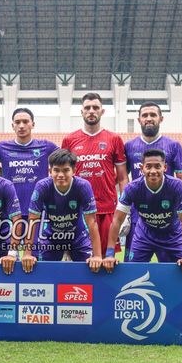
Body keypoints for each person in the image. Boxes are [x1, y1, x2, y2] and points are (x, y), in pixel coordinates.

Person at [103, 149, 182, 344]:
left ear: (165, 168)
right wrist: (110, 254)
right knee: (131, 275)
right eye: (148, 166)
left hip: (172, 235)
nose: (153, 170)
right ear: (141, 168)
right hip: (144, 235)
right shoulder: (133, 188)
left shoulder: (176, 186)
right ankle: (126, 324)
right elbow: (117, 220)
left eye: (157, 166)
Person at [61, 93, 128, 257]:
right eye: (87, 108)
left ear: (102, 111)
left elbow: (122, 178)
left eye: (95, 108)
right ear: (81, 111)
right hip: (77, 210)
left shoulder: (114, 139)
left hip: (106, 210)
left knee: (105, 259)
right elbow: (62, 177)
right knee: (75, 260)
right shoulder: (69, 140)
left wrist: (126, 211)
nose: (91, 111)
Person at [21, 149, 103, 273]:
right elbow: (32, 220)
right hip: (51, 237)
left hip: (78, 237)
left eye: (65, 170)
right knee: (45, 275)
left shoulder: (83, 186)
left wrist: (97, 256)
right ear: (50, 171)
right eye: (56, 170)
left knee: (89, 273)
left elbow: (92, 222)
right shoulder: (42, 186)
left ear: (74, 171)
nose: (60, 175)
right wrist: (27, 254)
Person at [124, 101, 182, 260]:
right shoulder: (129, 146)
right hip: (137, 215)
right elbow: (123, 179)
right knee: (132, 268)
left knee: (171, 270)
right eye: (145, 115)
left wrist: (180, 209)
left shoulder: (173, 145)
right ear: (139, 120)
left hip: (166, 217)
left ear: (161, 118)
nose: (149, 118)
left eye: (153, 115)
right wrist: (125, 210)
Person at [0, 107, 58, 218]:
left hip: (39, 210)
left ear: (33, 124)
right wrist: (0, 173)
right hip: (11, 210)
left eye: (26, 122)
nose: (21, 126)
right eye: (17, 122)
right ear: (13, 126)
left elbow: (66, 159)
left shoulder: (46, 146)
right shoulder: (1, 147)